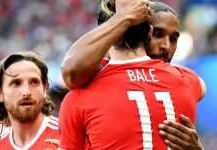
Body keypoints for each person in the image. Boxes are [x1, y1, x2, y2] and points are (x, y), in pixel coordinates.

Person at [59, 0, 205, 149]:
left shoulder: (81, 96)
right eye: (158, 34)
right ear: (149, 32)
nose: (165, 47)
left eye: (173, 39)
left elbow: (71, 71)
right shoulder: (188, 82)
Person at [0, 52, 60, 150]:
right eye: (16, 83)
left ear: (45, 89)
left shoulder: (66, 135)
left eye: (34, 82)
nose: (26, 92)